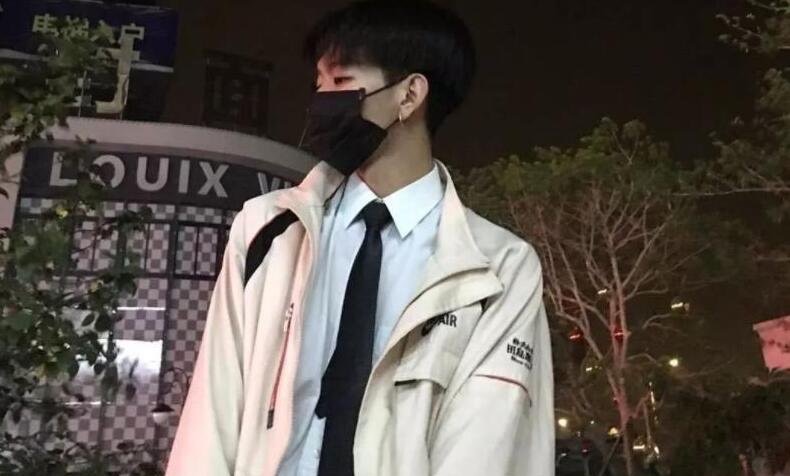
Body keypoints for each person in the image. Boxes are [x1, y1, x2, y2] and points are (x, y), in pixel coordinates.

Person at [165, 1, 554, 475]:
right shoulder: (268, 230)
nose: (322, 101)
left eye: (341, 82)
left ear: (409, 95)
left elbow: (482, 446)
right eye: (319, 85)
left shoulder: (499, 270)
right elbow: (212, 414)